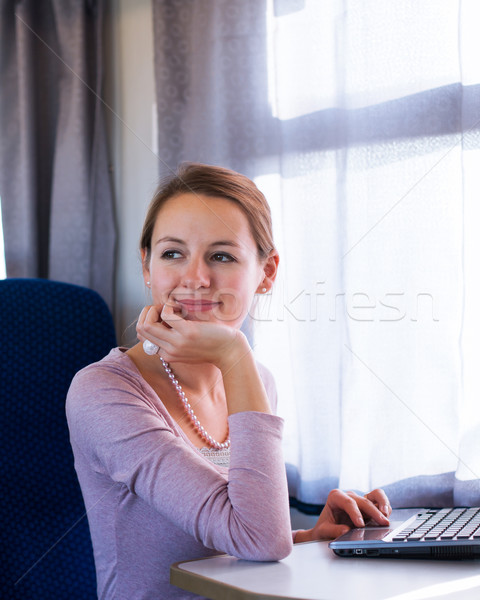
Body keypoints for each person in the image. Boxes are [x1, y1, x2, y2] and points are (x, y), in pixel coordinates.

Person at [66, 163, 391, 599]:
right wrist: (235, 353)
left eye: (221, 256)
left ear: (267, 272)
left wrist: (309, 537)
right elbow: (256, 538)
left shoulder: (257, 383)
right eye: (172, 253)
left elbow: (235, 542)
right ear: (146, 265)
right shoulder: (103, 393)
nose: (195, 278)